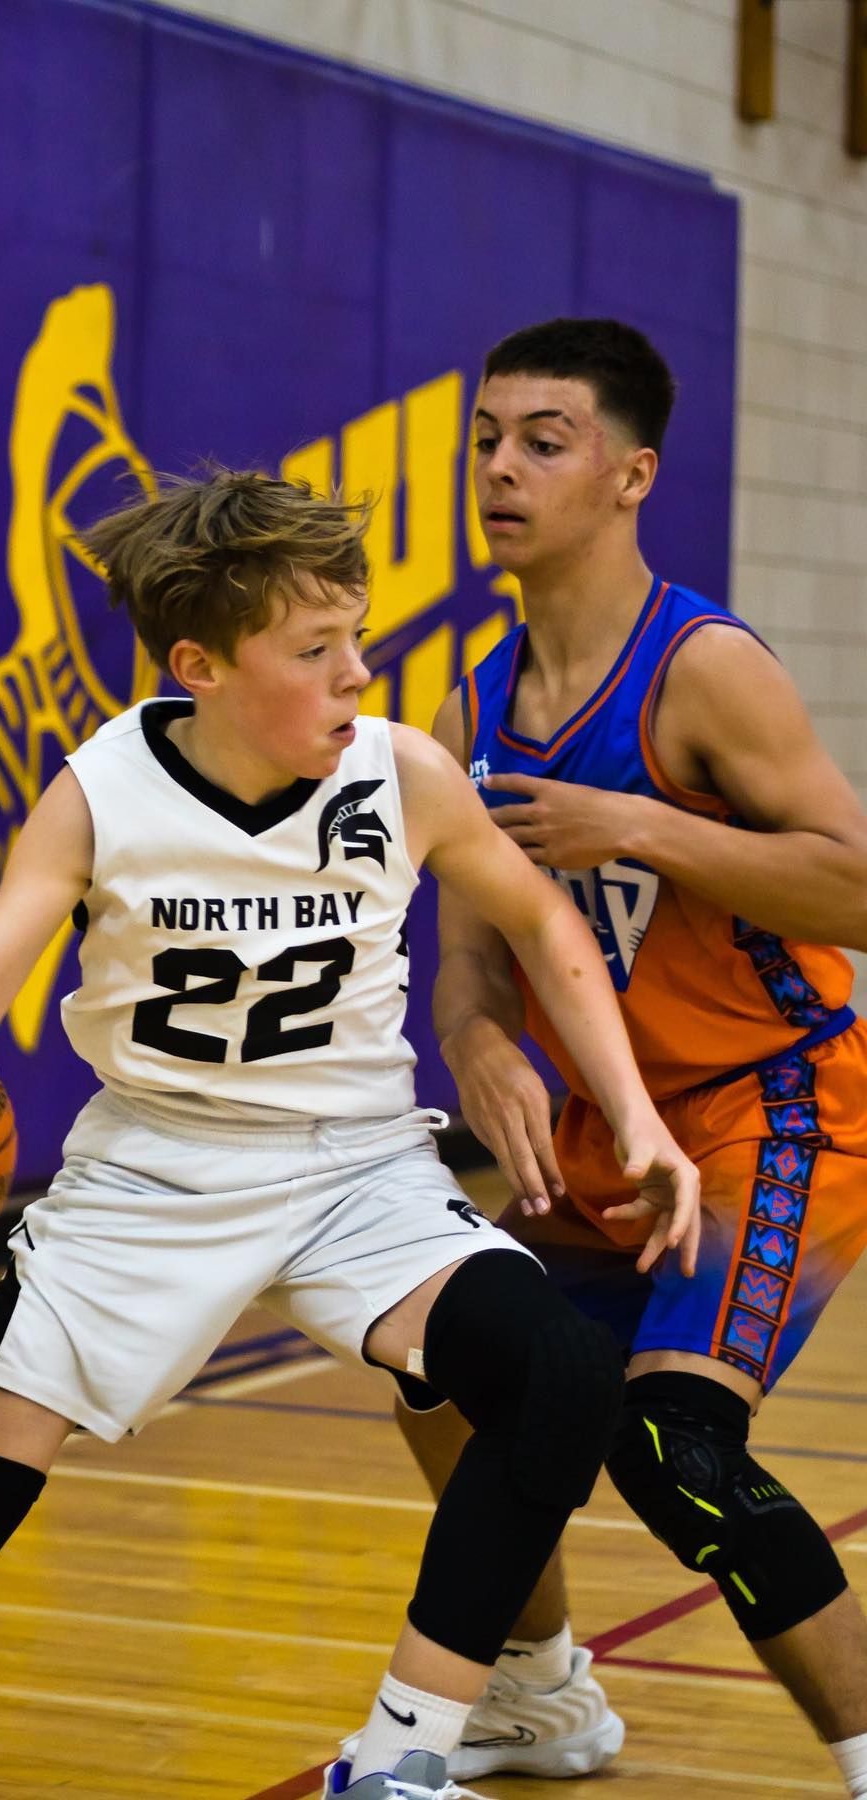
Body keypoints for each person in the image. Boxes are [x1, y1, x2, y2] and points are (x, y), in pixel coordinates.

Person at [0, 469, 699, 1800]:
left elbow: (546, 924)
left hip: (357, 1164)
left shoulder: (402, 775)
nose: (355, 676)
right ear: (199, 666)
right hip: (154, 1169)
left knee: (561, 1375)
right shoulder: (102, 795)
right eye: (316, 654)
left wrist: (639, 1114)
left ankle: (405, 1755)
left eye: (358, 641)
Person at [367, 317, 867, 1798]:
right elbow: (465, 953)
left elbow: (853, 883)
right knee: (438, 1369)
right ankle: (540, 1696)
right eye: (486, 438)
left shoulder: (704, 671)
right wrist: (473, 1043)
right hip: (596, 1128)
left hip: (769, 1112)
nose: (501, 468)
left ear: (633, 473)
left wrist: (638, 824)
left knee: (670, 1444)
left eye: (545, 439)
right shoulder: (475, 701)